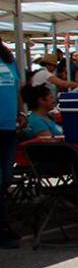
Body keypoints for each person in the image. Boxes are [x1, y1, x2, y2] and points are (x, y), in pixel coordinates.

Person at [0, 41, 19, 248]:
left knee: (6, 179)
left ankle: (4, 224)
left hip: (8, 127)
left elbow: (17, 88)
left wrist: (20, 111)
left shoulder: (8, 60)